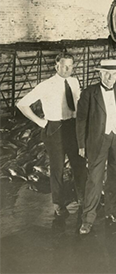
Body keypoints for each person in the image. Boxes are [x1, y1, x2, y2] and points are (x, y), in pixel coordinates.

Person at [17, 52, 86, 217]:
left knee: (79, 164)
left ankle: (83, 200)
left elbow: (78, 103)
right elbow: (22, 104)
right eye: (64, 66)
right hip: (54, 127)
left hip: (72, 126)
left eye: (70, 66)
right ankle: (58, 204)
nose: (67, 69)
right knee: (57, 168)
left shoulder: (74, 82)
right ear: (57, 66)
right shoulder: (46, 85)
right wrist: (40, 122)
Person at [77, 59, 116, 235]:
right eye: (106, 73)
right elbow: (81, 120)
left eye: (113, 74)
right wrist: (81, 144)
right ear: (99, 73)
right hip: (98, 140)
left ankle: (112, 210)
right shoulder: (89, 93)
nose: (110, 77)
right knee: (94, 179)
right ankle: (88, 218)